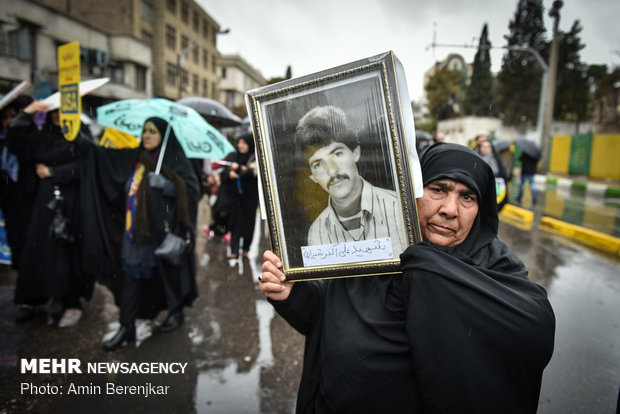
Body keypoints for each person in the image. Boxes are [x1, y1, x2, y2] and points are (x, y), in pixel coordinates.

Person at [259, 142, 555, 413]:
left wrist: (432, 270)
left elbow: (530, 333)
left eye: (467, 197)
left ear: (481, 208)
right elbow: (326, 318)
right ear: (411, 189)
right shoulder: (374, 247)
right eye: (438, 189)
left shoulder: (495, 266)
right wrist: (292, 295)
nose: (450, 210)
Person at [78, 117, 199, 350]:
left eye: (153, 131)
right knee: (131, 279)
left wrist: (169, 186)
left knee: (168, 275)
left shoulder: (175, 159)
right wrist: (82, 141)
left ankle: (176, 312)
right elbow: (105, 160)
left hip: (163, 233)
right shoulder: (136, 157)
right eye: (144, 131)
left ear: (163, 135)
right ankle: (127, 327)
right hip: (135, 233)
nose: (147, 135)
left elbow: (191, 190)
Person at [7, 100, 91, 327]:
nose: (58, 116)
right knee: (39, 249)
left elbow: (86, 166)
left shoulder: (80, 137)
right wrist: (26, 113)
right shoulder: (41, 138)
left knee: (68, 252)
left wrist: (54, 172)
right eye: (55, 111)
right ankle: (34, 299)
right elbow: (16, 141)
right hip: (44, 202)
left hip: (72, 203)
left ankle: (71, 303)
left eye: (64, 111)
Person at [294, 105, 406, 254]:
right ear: (312, 177)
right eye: (318, 164)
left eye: (337, 154)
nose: (332, 171)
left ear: (355, 152)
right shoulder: (316, 232)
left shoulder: (400, 208)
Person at [220, 133, 259, 259]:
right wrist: (229, 173)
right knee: (235, 224)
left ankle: (246, 249)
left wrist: (239, 168)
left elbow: (253, 172)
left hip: (250, 198)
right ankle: (234, 251)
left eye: (244, 143)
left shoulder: (255, 158)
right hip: (235, 198)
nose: (240, 146)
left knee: (248, 224)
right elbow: (223, 173)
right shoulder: (233, 156)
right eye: (239, 143)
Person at [475, 139, 509, 210]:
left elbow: (502, 173)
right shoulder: (475, 158)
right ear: (480, 148)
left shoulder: (496, 158)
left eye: (488, 147)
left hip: (495, 188)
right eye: (483, 147)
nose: (485, 149)